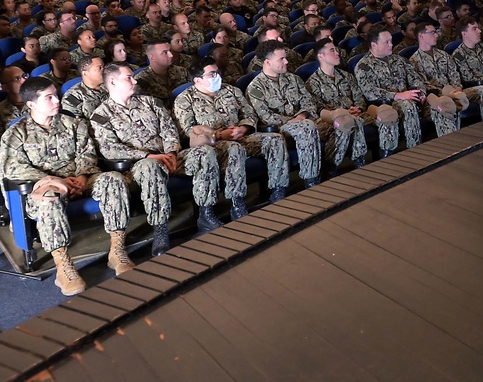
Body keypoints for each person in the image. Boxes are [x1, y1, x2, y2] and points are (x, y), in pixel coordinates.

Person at [0, 78, 134, 295]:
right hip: (44, 188)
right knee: (51, 195)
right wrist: (54, 179)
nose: (57, 100)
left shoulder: (73, 124)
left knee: (114, 179)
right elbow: (13, 168)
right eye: (49, 97)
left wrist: (81, 176)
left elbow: (87, 154)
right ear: (31, 104)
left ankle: (117, 250)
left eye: (56, 94)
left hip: (79, 179)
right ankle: (63, 266)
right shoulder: (16, 134)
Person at [173, 57, 289, 230]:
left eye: (217, 72)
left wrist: (243, 128)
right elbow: (188, 130)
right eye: (212, 74)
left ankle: (278, 191)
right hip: (213, 144)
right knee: (234, 149)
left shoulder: (231, 91)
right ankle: (237, 203)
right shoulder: (185, 100)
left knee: (275, 139)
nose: (217, 76)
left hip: (240, 136)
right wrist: (219, 135)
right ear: (198, 80)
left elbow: (249, 114)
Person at [90, 63, 181, 257]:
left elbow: (169, 129)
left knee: (204, 153)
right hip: (137, 165)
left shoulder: (150, 102)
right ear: (113, 82)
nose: (135, 80)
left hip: (168, 155)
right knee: (150, 166)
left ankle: (209, 212)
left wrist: (171, 152)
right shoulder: (101, 115)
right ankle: (160, 229)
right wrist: (147, 156)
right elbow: (109, 149)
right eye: (129, 77)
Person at [354, 24, 457, 147]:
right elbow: (370, 92)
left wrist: (420, 93)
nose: (391, 45)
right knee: (408, 106)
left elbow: (416, 79)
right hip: (388, 106)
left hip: (413, 100)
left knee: (440, 105)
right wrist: (399, 95)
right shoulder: (363, 66)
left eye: (391, 41)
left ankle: (451, 145)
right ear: (373, 45)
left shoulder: (399, 60)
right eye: (386, 42)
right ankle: (415, 150)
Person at [306, 37, 399, 169]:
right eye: (332, 51)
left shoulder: (346, 76)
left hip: (356, 113)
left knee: (387, 116)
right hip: (335, 119)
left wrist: (359, 108)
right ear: (321, 56)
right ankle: (343, 166)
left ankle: (387, 155)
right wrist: (342, 113)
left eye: (336, 50)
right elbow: (319, 108)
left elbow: (359, 97)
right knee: (351, 123)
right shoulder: (312, 82)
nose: (337, 53)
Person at [245, 40, 323, 188]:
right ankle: (310, 180)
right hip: (278, 128)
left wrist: (301, 116)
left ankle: (318, 174)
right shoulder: (255, 87)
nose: (286, 61)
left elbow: (309, 102)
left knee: (317, 123)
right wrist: (293, 121)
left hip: (301, 121)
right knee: (307, 127)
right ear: (267, 62)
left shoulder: (293, 79)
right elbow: (265, 117)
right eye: (281, 59)